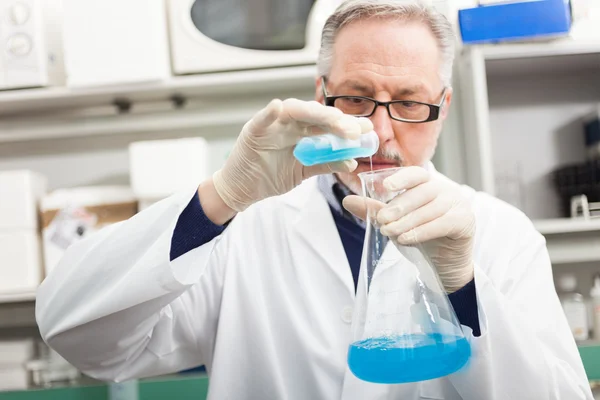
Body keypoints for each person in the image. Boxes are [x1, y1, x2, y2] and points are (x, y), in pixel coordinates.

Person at [36, 0, 593, 399]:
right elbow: (78, 334)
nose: (378, 130)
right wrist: (221, 195)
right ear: (321, 94)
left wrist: (464, 285)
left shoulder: (502, 234)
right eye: (356, 98)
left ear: (442, 106)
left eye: (408, 101)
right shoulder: (244, 229)